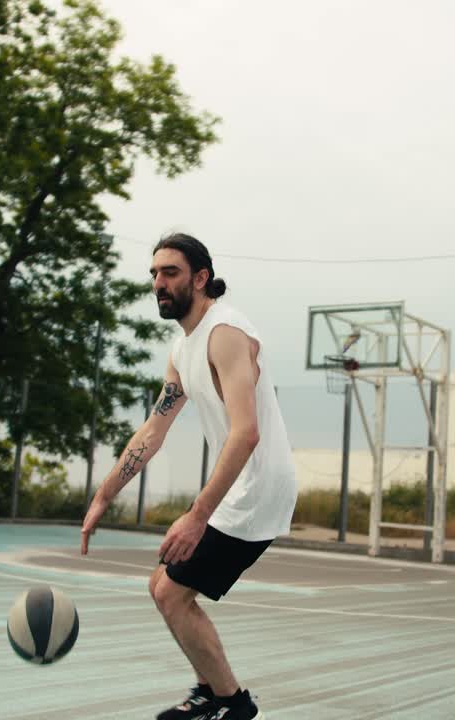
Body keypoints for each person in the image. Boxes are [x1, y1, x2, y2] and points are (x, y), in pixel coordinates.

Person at [81, 233, 297, 720]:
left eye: (170, 273)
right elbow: (152, 432)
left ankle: (232, 705)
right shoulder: (183, 350)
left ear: (200, 278)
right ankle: (209, 693)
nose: (159, 283)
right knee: (162, 586)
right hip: (239, 487)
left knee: (172, 593)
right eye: (154, 274)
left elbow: (246, 434)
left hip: (259, 489)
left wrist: (198, 515)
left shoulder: (226, 333)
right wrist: (103, 496)